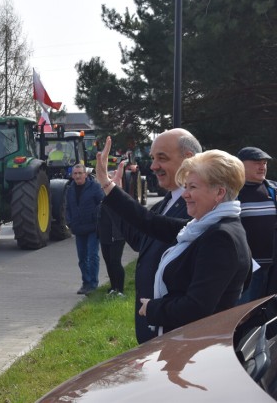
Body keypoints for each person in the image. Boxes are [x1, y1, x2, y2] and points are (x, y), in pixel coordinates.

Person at [97, 136, 251, 337]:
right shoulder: (203, 226)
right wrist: (110, 188)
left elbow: (196, 307)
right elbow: (150, 225)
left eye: (192, 187)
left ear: (219, 193)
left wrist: (153, 308)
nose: (185, 194)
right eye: (185, 187)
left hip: (193, 348)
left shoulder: (221, 236)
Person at [120, 128, 202, 343]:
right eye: (153, 158)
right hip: (155, 327)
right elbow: (140, 240)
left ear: (189, 159)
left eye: (162, 158)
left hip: (178, 334)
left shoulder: (199, 209)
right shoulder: (166, 203)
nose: (154, 166)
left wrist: (112, 193)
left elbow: (155, 225)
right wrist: (113, 201)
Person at [236, 147, 276, 302]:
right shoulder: (231, 192)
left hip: (273, 269)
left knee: (270, 318)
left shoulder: (274, 189)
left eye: (264, 163)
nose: (262, 166)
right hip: (249, 270)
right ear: (240, 165)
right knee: (244, 316)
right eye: (257, 162)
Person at [65, 164, 104, 295]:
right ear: (72, 175)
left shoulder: (95, 187)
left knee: (92, 256)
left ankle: (93, 284)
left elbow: (103, 204)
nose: (77, 176)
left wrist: (97, 219)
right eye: (75, 173)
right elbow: (67, 208)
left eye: (80, 173)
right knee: (82, 258)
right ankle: (85, 283)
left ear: (85, 175)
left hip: (93, 228)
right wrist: (69, 222)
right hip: (78, 228)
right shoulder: (70, 190)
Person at [98, 197, 126, 296]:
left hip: (117, 237)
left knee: (115, 261)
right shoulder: (101, 199)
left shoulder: (119, 199)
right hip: (105, 236)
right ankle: (113, 287)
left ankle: (120, 290)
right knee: (109, 262)